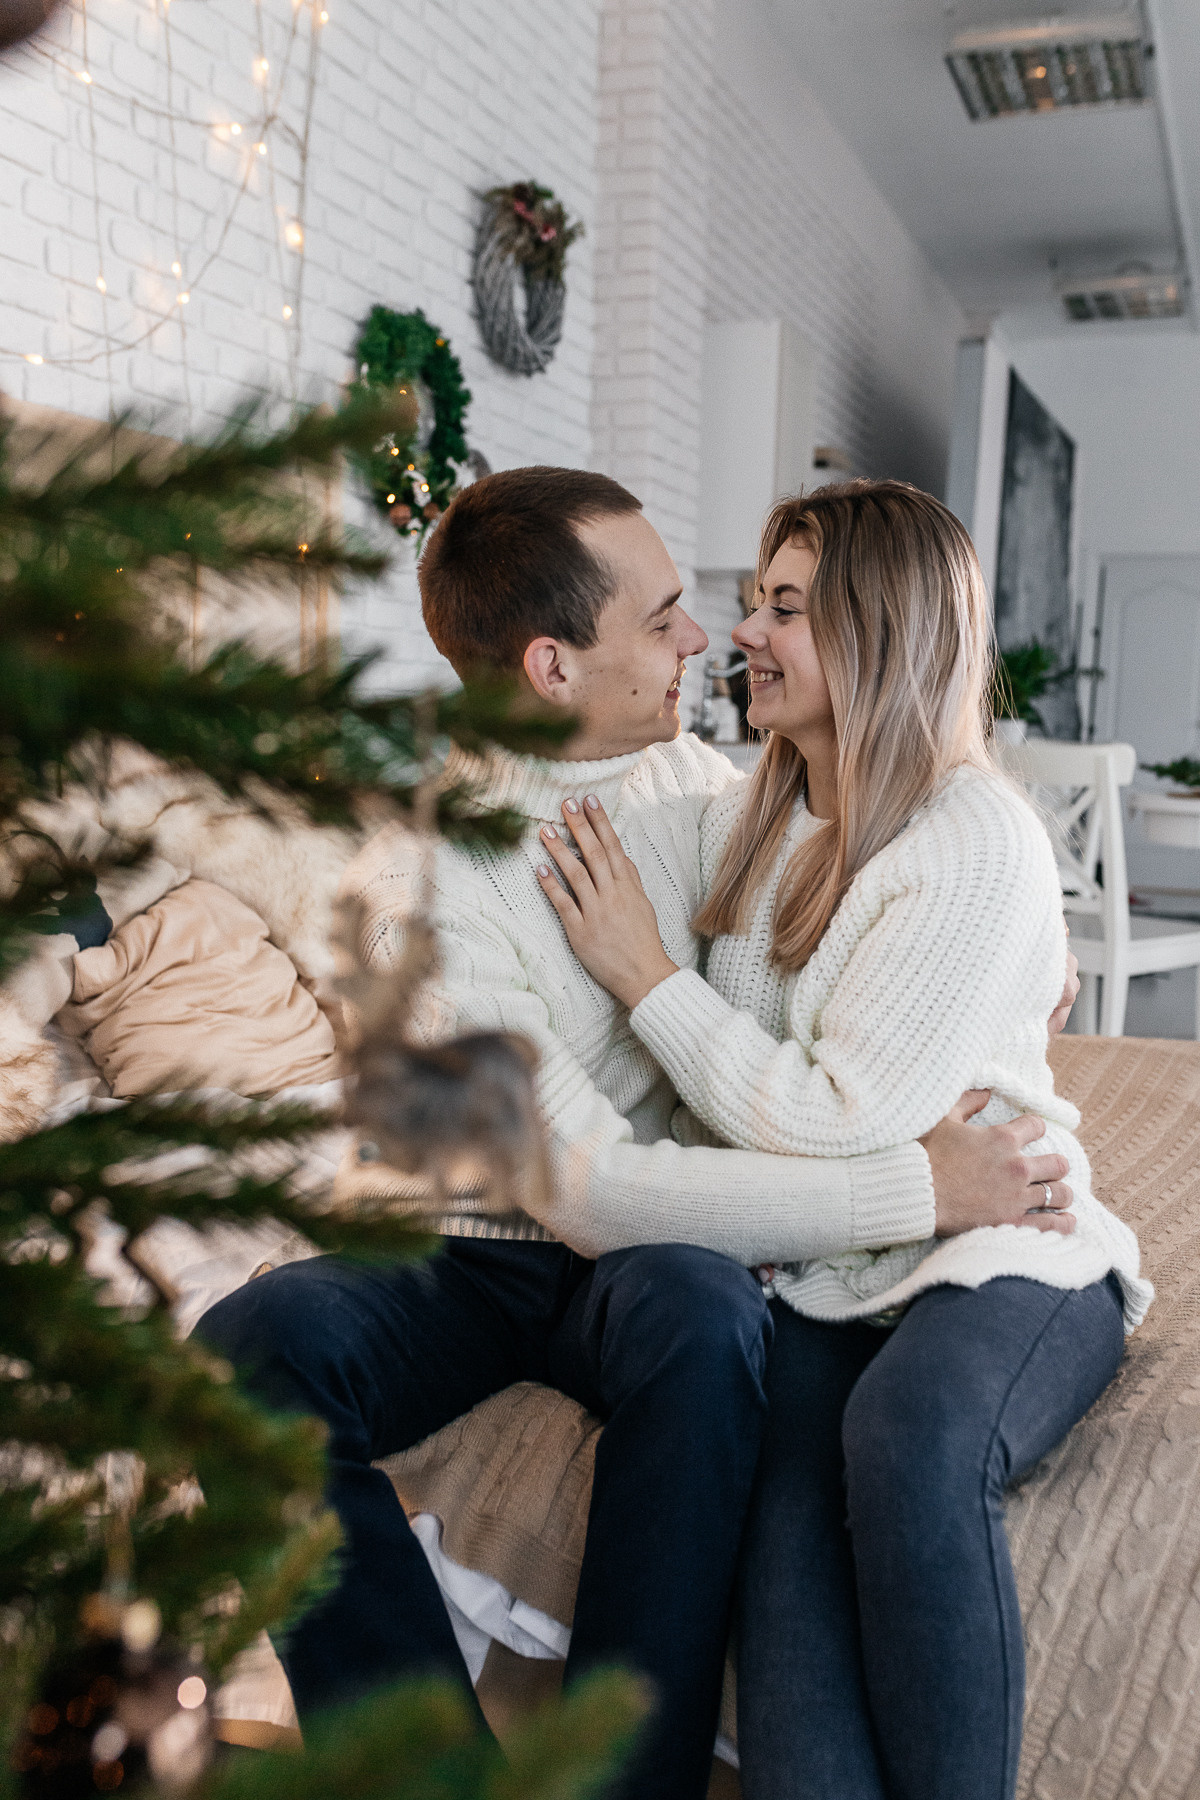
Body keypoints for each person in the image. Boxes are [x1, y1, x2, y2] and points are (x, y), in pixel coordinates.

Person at [197, 468, 1080, 1800]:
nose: (704, 638)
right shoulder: (421, 885)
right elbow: (589, 1192)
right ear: (552, 666)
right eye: (664, 617)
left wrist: (1026, 950)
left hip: (663, 1251)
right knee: (243, 1351)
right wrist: (918, 1189)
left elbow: (884, 864)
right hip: (486, 1246)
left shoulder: (703, 788)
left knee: (706, 1311)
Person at [531, 477, 1152, 1800]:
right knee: (793, 1651)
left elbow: (837, 1119)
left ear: (881, 630)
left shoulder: (970, 837)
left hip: (999, 1234)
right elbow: (586, 805)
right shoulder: (760, 810)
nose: (743, 633)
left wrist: (650, 979)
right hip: (822, 1275)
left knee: (911, 1441)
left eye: (785, 609)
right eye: (756, 603)